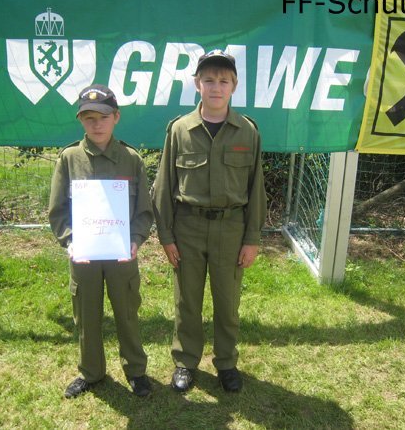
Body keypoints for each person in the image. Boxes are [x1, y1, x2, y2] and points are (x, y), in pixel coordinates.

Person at [151, 49, 267, 393]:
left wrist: (252, 238)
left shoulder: (247, 131)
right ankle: (186, 361)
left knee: (227, 302)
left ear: (234, 86)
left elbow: (256, 188)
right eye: (209, 80)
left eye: (223, 81)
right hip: (188, 227)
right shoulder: (179, 130)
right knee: (187, 300)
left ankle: (226, 362)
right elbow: (164, 185)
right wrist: (166, 236)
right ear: (197, 84)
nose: (216, 87)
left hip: (231, 228)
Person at [48, 84, 153, 398]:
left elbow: (144, 211)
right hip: (85, 255)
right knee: (86, 315)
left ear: (116, 117)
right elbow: (58, 210)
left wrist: (135, 240)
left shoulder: (131, 159)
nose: (97, 124)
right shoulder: (69, 159)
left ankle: (136, 370)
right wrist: (70, 241)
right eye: (89, 118)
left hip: (122, 254)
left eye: (104, 117)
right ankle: (91, 372)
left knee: (127, 313)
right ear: (80, 120)